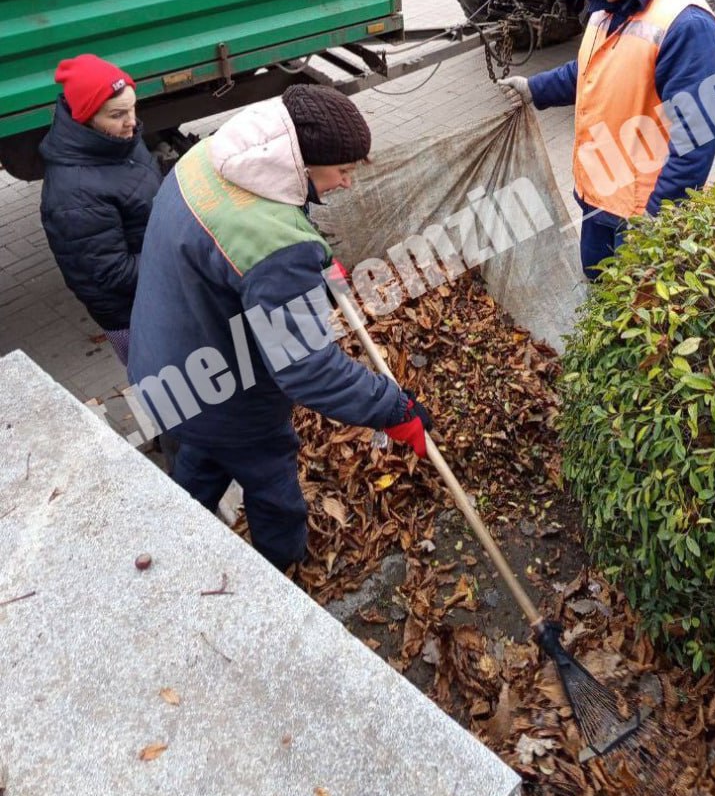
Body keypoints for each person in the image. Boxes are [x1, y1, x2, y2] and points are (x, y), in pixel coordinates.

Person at [127, 84, 432, 572]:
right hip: (221, 386)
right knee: (274, 489)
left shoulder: (211, 157)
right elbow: (308, 369)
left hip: (164, 362)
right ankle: (279, 577)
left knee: (201, 455)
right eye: (343, 171)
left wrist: (311, 263)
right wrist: (392, 408)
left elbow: (239, 257)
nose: (348, 183)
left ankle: (172, 543)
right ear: (304, 162)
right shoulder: (274, 245)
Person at [499, 0, 715, 278]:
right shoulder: (610, 8)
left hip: (641, 213)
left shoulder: (687, 25)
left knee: (632, 314)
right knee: (597, 290)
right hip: (601, 196)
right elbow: (588, 72)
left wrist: (660, 221)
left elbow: (696, 139)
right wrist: (535, 89)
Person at [39, 54, 163, 365]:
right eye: (117, 114)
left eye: (132, 108)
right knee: (174, 398)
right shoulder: (73, 194)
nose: (131, 122)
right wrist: (181, 258)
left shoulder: (119, 140)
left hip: (160, 291)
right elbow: (111, 273)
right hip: (134, 317)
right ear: (86, 116)